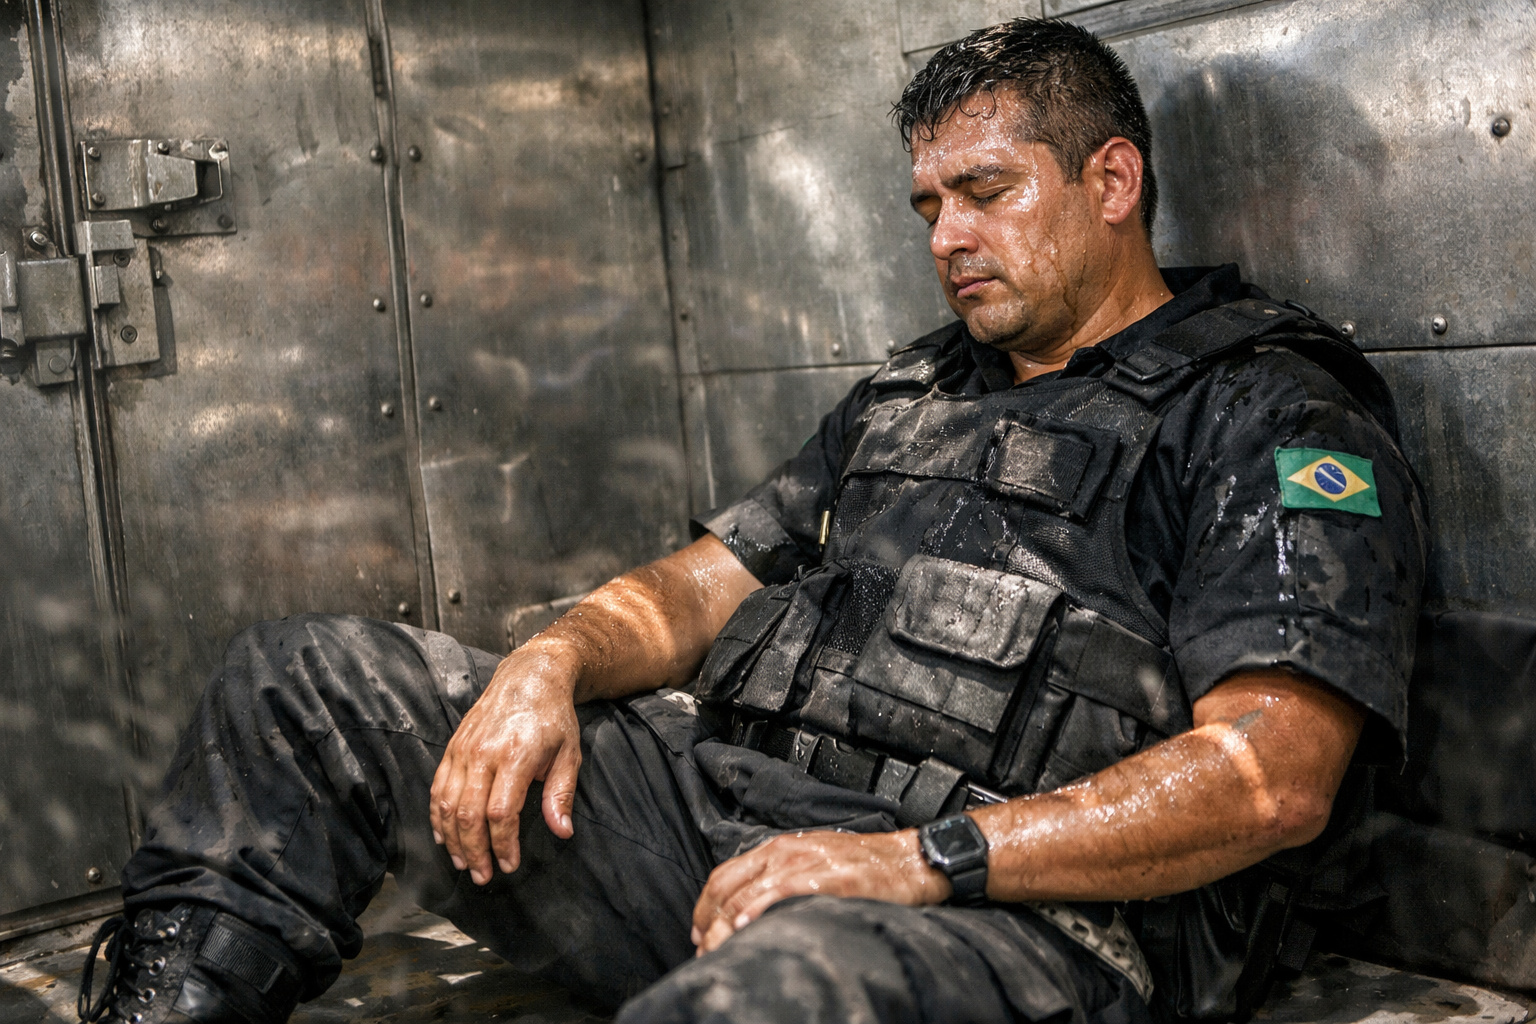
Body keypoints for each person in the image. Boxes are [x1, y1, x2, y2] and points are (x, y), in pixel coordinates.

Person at [76, 17, 1425, 1024]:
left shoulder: (1263, 409)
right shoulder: (910, 391)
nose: (947, 236)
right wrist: (543, 663)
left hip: (1020, 918)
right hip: (733, 831)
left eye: (987, 192)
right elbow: (697, 586)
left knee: (771, 1000)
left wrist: (918, 863)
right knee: (304, 682)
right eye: (925, 205)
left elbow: (1272, 777)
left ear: (1112, 181)